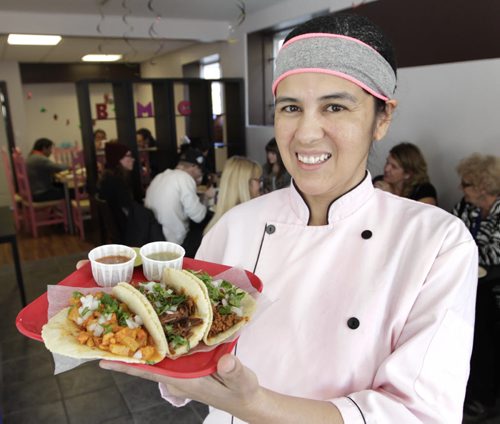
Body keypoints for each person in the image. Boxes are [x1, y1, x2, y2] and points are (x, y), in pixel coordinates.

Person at [100, 13, 477, 423]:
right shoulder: (234, 226)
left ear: (382, 118)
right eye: (291, 107)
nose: (306, 133)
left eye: (335, 106)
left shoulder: (435, 241)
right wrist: (139, 317)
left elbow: (421, 415)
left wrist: (256, 406)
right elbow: (190, 349)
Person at [452, 153, 500, 419]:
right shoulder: (465, 207)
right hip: (470, 281)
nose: (461, 188)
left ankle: (483, 395)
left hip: (493, 288)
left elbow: (495, 254)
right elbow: (450, 234)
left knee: (482, 323)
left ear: (483, 186)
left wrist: (465, 251)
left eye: (467, 183)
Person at [145, 148, 215, 256]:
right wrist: (206, 196)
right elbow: (199, 216)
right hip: (174, 242)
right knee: (209, 231)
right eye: (200, 172)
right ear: (194, 167)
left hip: (153, 237)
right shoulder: (185, 178)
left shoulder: (160, 176)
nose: (200, 176)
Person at [97, 142, 162, 245]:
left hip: (120, 226)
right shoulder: (116, 181)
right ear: (117, 159)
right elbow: (128, 206)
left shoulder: (108, 177)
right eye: (128, 156)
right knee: (150, 217)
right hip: (126, 229)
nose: (133, 159)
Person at [203, 156, 262, 235]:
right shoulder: (244, 221)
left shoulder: (220, 222)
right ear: (244, 184)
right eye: (259, 180)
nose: (261, 185)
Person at [373, 142, 437, 205]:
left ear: (407, 174)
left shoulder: (424, 191)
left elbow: (419, 215)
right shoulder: (379, 180)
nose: (386, 169)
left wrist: (391, 197)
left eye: (394, 167)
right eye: (387, 162)